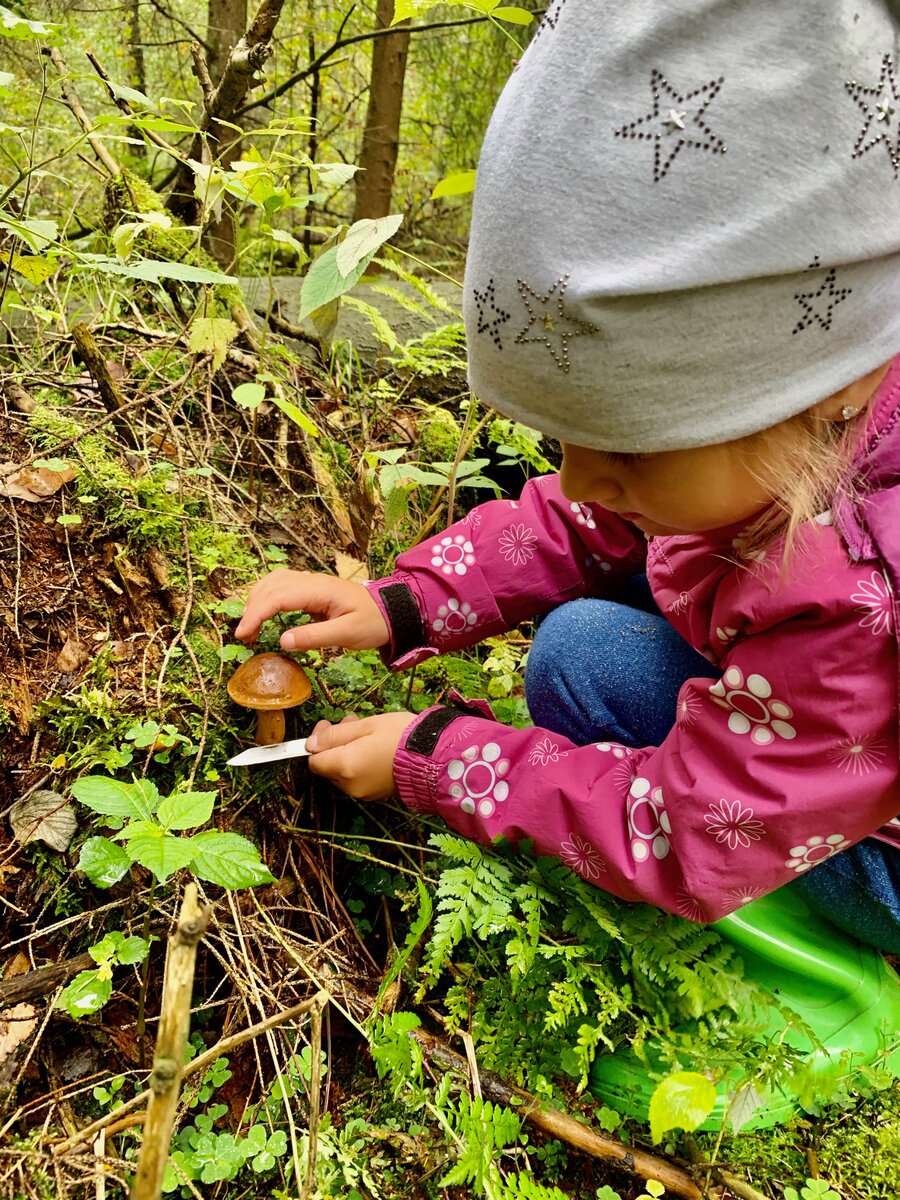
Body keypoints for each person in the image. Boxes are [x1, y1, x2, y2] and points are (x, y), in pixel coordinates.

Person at [237, 0, 900, 953]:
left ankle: (785, 934)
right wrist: (406, 600)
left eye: (627, 454)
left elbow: (682, 829)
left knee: (582, 655)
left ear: (822, 394)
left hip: (880, 847)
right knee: (631, 557)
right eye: (565, 439)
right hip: (825, 697)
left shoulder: (858, 595)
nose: (582, 481)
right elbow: (594, 523)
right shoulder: (787, 428)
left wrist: (444, 761)